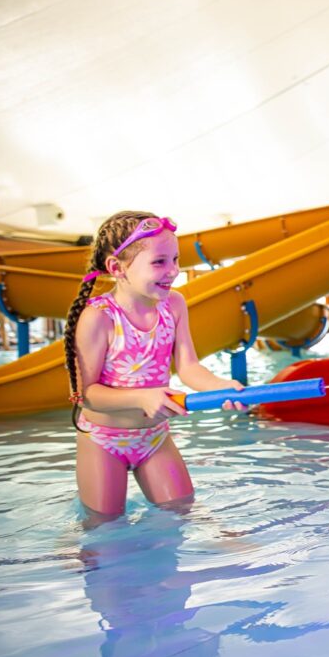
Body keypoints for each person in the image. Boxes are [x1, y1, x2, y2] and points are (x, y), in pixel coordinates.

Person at [64, 211, 245, 520]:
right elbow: (85, 394)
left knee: (182, 512)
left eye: (175, 259)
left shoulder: (173, 305)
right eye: (159, 262)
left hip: (154, 438)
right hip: (103, 440)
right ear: (117, 268)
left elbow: (188, 367)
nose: (173, 270)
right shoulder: (99, 317)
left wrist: (221, 387)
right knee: (104, 526)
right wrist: (142, 398)